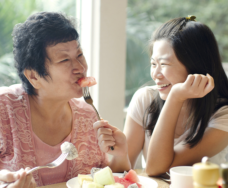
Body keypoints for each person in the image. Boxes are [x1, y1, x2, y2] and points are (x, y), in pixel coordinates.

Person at [0, 12, 130, 187]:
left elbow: (104, 182)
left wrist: (121, 155)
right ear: (34, 77)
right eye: (64, 60)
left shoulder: (88, 115)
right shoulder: (4, 108)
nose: (80, 67)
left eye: (79, 55)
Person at [94, 15, 228, 176]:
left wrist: (175, 97)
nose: (155, 74)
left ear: (196, 66)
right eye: (153, 64)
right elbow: (118, 174)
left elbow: (156, 168)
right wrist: (122, 154)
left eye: (164, 64)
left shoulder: (223, 114)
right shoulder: (145, 99)